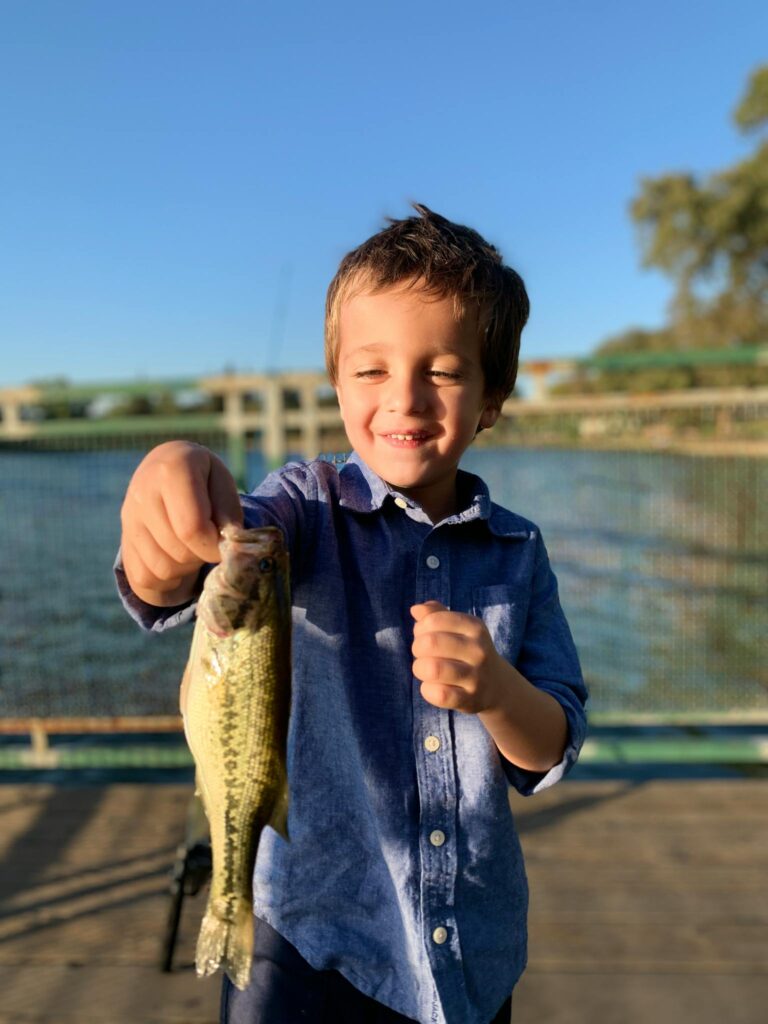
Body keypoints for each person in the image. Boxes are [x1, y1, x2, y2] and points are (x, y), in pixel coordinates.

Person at [116, 203, 588, 1024]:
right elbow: (198, 565)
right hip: (303, 942)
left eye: (441, 371)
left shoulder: (520, 551)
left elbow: (548, 750)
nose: (404, 399)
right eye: (370, 371)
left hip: (471, 952)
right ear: (337, 385)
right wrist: (174, 475)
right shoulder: (304, 509)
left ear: (491, 398)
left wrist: (500, 692)